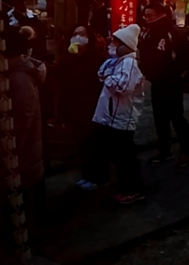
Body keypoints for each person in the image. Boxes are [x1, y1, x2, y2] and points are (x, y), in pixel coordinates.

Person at [0, 26, 45, 227]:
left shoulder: (19, 79)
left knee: (22, 209)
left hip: (20, 157)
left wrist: (7, 151)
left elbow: (23, 120)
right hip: (3, 151)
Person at [81, 24, 147, 204]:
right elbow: (101, 73)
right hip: (111, 116)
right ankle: (121, 185)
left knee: (126, 157)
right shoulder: (117, 61)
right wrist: (109, 76)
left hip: (122, 117)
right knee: (117, 155)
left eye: (116, 42)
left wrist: (109, 77)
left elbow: (121, 87)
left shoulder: (129, 64)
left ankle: (133, 189)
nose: (112, 45)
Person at [140, 3, 189, 167]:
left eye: (149, 15)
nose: (146, 19)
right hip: (156, 81)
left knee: (177, 117)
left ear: (159, 14)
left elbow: (187, 58)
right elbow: (143, 54)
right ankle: (164, 149)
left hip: (172, 82)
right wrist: (147, 73)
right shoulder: (147, 33)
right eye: (145, 15)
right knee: (159, 118)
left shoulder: (174, 33)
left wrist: (180, 78)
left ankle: (188, 151)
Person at [58, 25, 107, 184]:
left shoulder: (99, 57)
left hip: (95, 105)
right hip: (76, 107)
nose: (78, 37)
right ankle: (87, 174)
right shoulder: (67, 58)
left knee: (96, 143)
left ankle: (99, 176)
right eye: (75, 34)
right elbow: (62, 83)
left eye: (82, 34)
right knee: (81, 143)